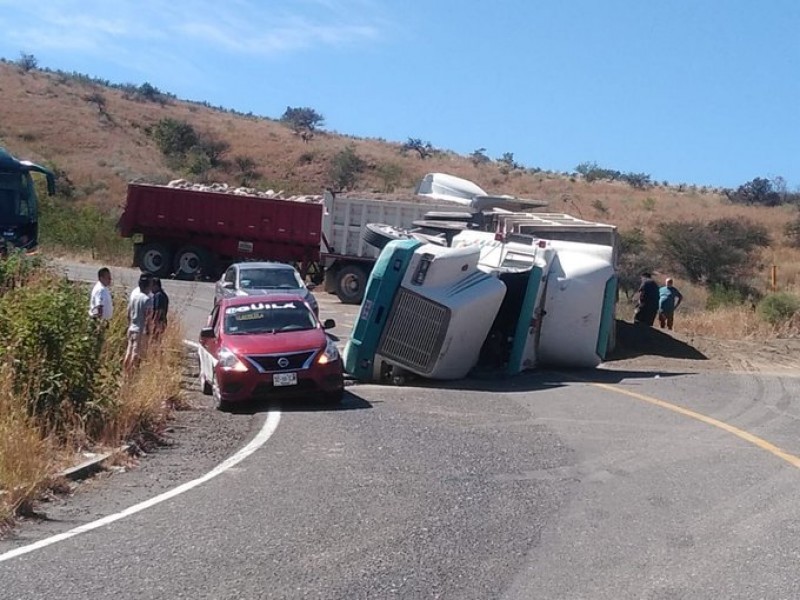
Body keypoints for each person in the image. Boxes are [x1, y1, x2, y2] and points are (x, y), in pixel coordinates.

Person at [124, 273, 153, 373]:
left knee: (129, 351)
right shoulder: (147, 299)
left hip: (132, 328)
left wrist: (129, 324)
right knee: (136, 353)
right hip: (140, 330)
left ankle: (125, 371)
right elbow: (148, 317)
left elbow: (128, 313)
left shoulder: (134, 297)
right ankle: (132, 374)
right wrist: (149, 330)